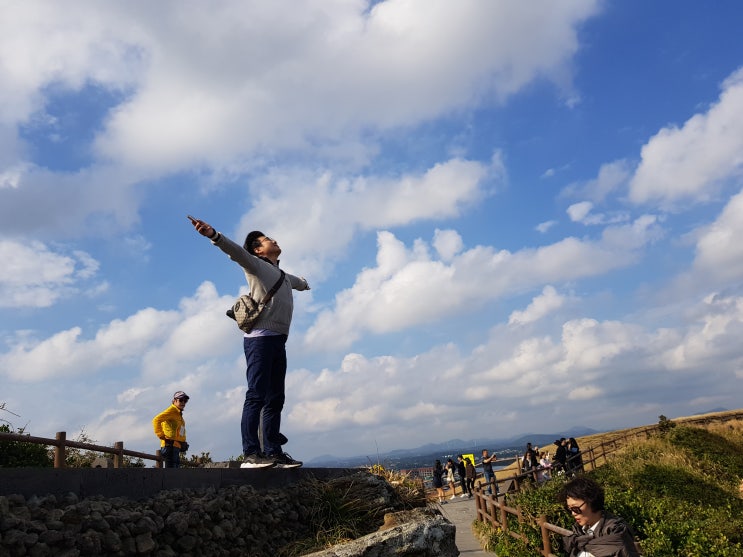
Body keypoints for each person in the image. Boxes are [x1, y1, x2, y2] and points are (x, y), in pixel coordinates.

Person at [190, 217, 310, 469]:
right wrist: (214, 235)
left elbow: (297, 283)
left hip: (279, 340)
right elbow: (235, 252)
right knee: (256, 395)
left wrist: (304, 284)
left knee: (275, 398)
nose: (273, 239)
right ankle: (251, 454)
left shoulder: (282, 275)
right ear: (257, 250)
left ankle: (273, 453)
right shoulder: (255, 265)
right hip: (260, 340)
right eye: (267, 239)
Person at [559, 476, 640, 557]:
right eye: (569, 509)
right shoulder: (580, 533)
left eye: (575, 508)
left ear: (591, 501)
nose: (573, 513)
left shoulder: (616, 533)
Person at [152, 391, 190, 468]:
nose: (183, 402)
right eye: (181, 400)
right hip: (169, 445)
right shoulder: (172, 410)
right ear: (174, 401)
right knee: (171, 472)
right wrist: (161, 435)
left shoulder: (178, 413)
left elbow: (178, 431)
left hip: (175, 446)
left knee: (175, 472)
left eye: (185, 400)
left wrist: (183, 442)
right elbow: (156, 420)